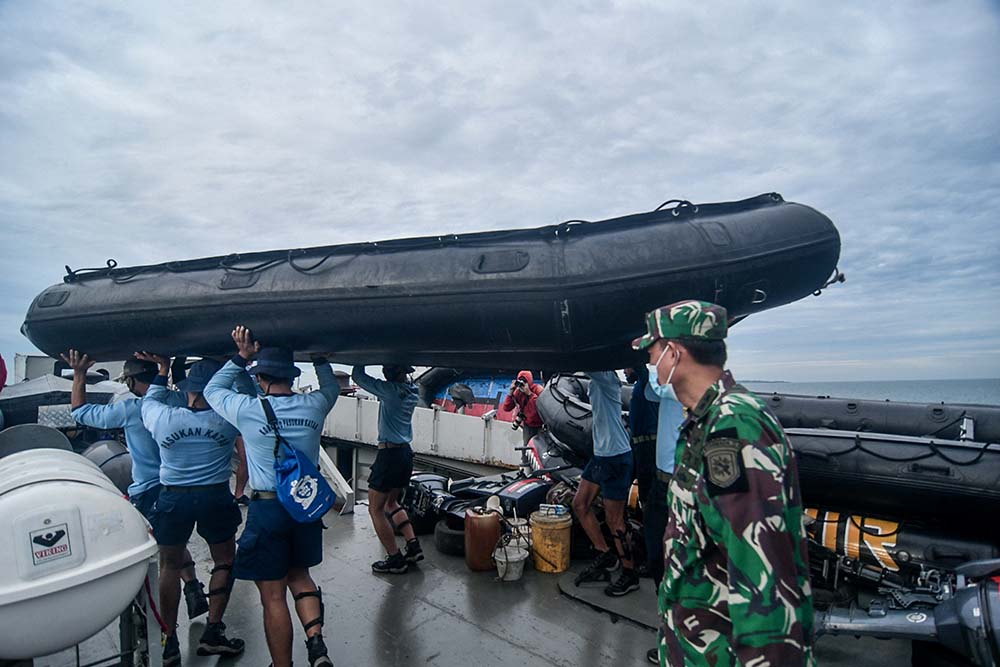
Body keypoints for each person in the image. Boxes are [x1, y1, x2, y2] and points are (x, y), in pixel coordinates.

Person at [632, 300, 815, 667]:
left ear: (674, 353)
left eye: (652, 352)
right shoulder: (705, 424)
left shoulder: (733, 429)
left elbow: (765, 582)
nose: (651, 363)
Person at [204, 327, 338, 667]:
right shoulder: (315, 405)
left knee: (273, 595)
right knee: (301, 576)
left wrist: (241, 356)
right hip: (304, 507)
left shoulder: (247, 409)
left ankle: (283, 665)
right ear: (291, 375)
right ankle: (317, 643)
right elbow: (332, 387)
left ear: (260, 377)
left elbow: (212, 389)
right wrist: (320, 359)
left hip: (267, 508)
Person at [61, 350, 210, 621]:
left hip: (150, 490)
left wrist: (79, 374)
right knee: (175, 543)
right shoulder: (179, 400)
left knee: (164, 557)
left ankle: (167, 631)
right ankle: (192, 586)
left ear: (130, 382)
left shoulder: (132, 409)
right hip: (185, 487)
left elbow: (81, 413)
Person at [140, 355, 245, 665]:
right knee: (224, 560)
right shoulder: (227, 420)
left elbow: (151, 397)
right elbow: (248, 397)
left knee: (170, 566)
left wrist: (162, 369)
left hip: (174, 498)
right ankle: (213, 632)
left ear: (187, 389)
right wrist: (237, 365)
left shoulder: (163, 417)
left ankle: (168, 639)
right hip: (215, 495)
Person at [634, 360, 685, 663]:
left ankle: (679, 644)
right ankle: (673, 635)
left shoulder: (678, 383)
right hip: (662, 483)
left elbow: (655, 385)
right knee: (657, 557)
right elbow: (651, 394)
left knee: (669, 563)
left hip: (675, 487)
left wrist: (642, 359)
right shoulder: (668, 388)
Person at [351, 363, 423, 574]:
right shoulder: (412, 392)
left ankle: (395, 558)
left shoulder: (390, 391)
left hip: (389, 454)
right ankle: (413, 546)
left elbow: (358, 377)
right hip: (404, 455)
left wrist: (360, 357)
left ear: (392, 374)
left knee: (375, 509)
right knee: (392, 502)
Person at [573, 370, 639, 597]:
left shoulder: (606, 377)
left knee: (615, 520)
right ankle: (605, 553)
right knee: (580, 504)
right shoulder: (596, 378)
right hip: (601, 455)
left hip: (616, 456)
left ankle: (630, 574)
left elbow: (579, 359)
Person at [501, 370, 544, 444]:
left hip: (540, 426)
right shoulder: (518, 392)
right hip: (528, 426)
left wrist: (529, 394)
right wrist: (511, 392)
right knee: (526, 448)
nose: (522, 384)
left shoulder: (538, 390)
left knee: (540, 448)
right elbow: (506, 408)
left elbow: (537, 409)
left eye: (524, 381)